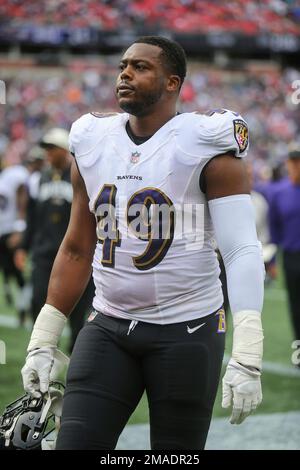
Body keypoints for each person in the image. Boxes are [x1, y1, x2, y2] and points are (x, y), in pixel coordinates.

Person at [21, 36, 264, 450]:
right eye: (122, 66)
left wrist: (248, 348)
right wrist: (44, 335)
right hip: (108, 324)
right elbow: (79, 245)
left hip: (187, 329)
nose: (125, 74)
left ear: (173, 82)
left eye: (140, 67)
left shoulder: (206, 144)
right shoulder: (92, 140)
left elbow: (241, 249)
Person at [15, 129, 94, 352]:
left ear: (64, 150)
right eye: (46, 149)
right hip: (44, 252)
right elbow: (32, 217)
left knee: (79, 310)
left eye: (52, 148)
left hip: (77, 254)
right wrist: (23, 247)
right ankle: (44, 350)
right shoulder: (38, 178)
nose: (47, 153)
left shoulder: (81, 175)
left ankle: (75, 352)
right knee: (38, 300)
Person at [269, 143, 300, 344]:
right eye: (293, 162)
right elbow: (274, 229)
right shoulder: (279, 193)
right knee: (295, 304)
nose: (296, 166)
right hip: (291, 257)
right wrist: (271, 260)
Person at [0, 162, 29, 325]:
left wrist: (19, 226)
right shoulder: (7, 175)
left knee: (19, 274)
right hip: (4, 232)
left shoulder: (13, 173)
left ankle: (22, 308)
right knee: (9, 271)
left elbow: (22, 193)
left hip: (11, 232)